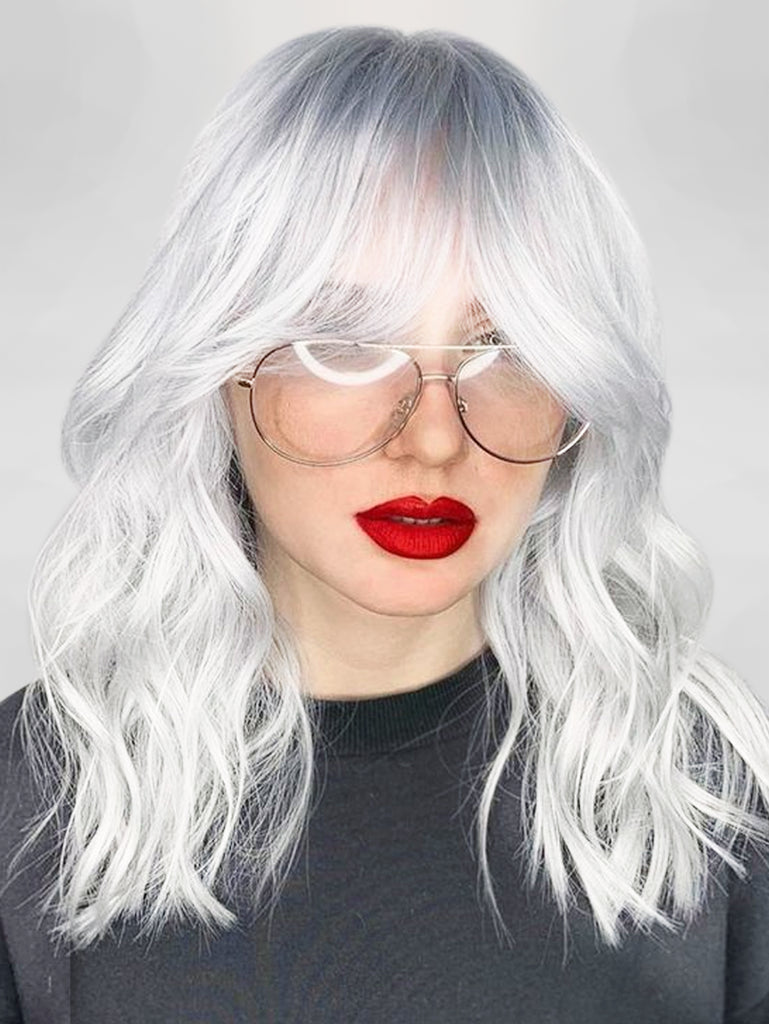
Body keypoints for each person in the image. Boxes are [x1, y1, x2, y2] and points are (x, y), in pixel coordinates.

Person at [1, 25, 767, 1024]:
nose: (436, 437)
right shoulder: (29, 805)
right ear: (217, 368)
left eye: (504, 347)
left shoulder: (706, 795)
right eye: (346, 343)